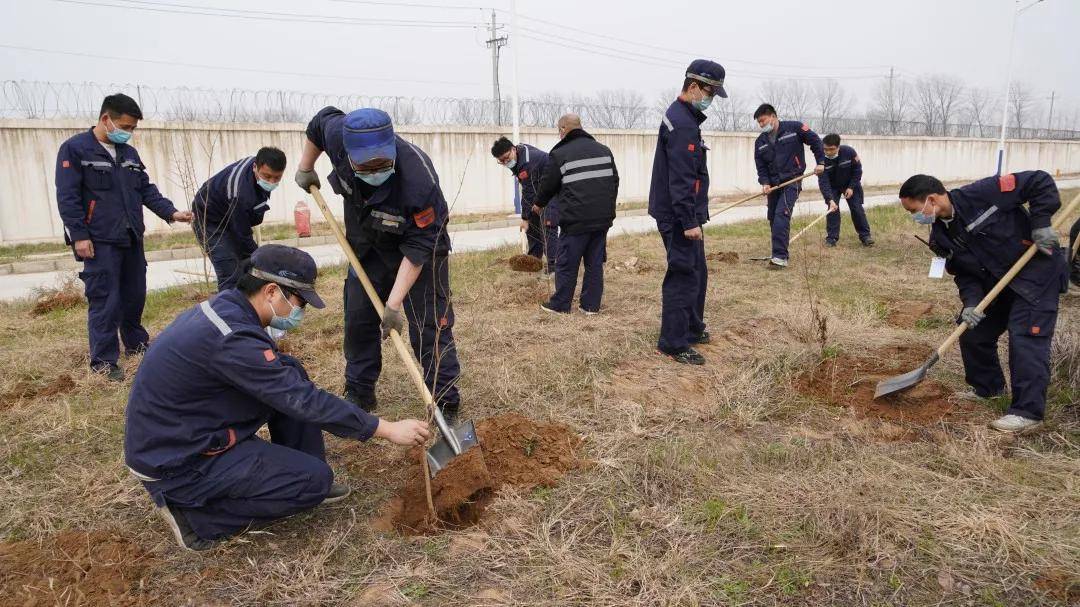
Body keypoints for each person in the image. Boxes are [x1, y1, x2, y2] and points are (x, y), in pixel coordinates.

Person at [124, 245, 431, 551]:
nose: (300, 312)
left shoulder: (230, 309)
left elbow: (289, 389)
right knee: (313, 481)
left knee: (289, 370)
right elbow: (303, 400)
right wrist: (386, 429)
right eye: (299, 301)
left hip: (187, 429)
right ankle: (198, 519)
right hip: (177, 462)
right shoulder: (234, 338)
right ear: (271, 291)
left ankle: (301, 467)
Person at [295, 107, 461, 422]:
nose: (374, 171)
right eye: (365, 166)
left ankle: (444, 401)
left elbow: (419, 246)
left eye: (382, 165)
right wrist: (306, 167)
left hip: (419, 249)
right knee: (358, 317)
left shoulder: (418, 181)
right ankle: (359, 390)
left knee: (430, 324)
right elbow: (319, 123)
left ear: (392, 152)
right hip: (367, 243)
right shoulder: (337, 135)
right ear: (348, 153)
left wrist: (394, 304)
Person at [897, 172, 1070, 433]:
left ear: (931, 199)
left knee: (1025, 337)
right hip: (996, 286)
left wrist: (1041, 223)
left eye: (914, 210)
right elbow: (965, 275)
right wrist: (971, 304)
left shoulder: (984, 193)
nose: (916, 217)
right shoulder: (940, 237)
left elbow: (1039, 181)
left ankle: (1027, 413)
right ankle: (988, 389)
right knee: (972, 331)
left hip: (1036, 276)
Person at [55, 93, 193, 381]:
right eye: (125, 127)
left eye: (132, 129)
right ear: (106, 119)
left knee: (134, 295)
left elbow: (145, 189)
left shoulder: (129, 155)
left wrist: (171, 212)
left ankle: (136, 345)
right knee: (105, 299)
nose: (128, 134)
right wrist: (79, 236)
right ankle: (104, 362)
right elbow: (67, 197)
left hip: (131, 236)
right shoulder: (75, 150)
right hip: (100, 239)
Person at [648, 59, 727, 365]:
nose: (711, 100)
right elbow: (681, 178)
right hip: (678, 215)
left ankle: (692, 327)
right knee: (683, 274)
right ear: (694, 86)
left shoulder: (685, 118)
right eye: (710, 92)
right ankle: (673, 341)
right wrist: (688, 221)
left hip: (683, 212)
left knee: (698, 271)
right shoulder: (682, 124)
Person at [534, 114, 619, 315]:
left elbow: (548, 184)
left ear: (563, 129)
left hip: (576, 220)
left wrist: (538, 204)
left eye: (559, 130)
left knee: (566, 262)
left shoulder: (560, 153)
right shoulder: (604, 150)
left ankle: (560, 304)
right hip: (601, 219)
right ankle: (590, 306)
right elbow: (614, 182)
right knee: (594, 263)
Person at [192, 148, 287, 290]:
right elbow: (242, 235)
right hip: (209, 220)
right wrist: (260, 258)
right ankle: (229, 309)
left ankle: (248, 304)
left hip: (231, 213)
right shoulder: (239, 191)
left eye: (277, 178)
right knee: (229, 270)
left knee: (246, 267)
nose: (271, 182)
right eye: (267, 177)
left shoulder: (259, 167)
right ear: (255, 167)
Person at [752, 103, 826, 268]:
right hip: (773, 185)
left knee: (781, 215)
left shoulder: (794, 128)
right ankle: (779, 250)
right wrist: (764, 183)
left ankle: (779, 258)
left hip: (792, 180)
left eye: (763, 121)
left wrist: (821, 162)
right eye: (759, 123)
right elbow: (761, 167)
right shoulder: (760, 142)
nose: (761, 125)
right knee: (772, 217)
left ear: (773, 116)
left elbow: (815, 141)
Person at [491, 136, 558, 272]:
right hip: (540, 191)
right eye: (501, 161)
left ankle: (554, 267)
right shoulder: (518, 156)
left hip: (553, 192)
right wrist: (528, 218)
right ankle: (533, 263)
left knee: (548, 228)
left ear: (513, 149)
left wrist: (525, 218)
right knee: (533, 228)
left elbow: (528, 192)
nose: (505, 162)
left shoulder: (527, 162)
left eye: (506, 158)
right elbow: (529, 193)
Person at [820, 134, 873, 247]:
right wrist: (829, 199)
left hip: (850, 184)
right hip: (833, 187)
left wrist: (851, 187)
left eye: (831, 149)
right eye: (825, 149)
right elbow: (823, 182)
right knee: (832, 209)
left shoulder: (849, 152)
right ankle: (832, 238)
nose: (828, 152)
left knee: (857, 209)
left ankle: (865, 236)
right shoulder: (821, 159)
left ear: (838, 147)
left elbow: (858, 170)